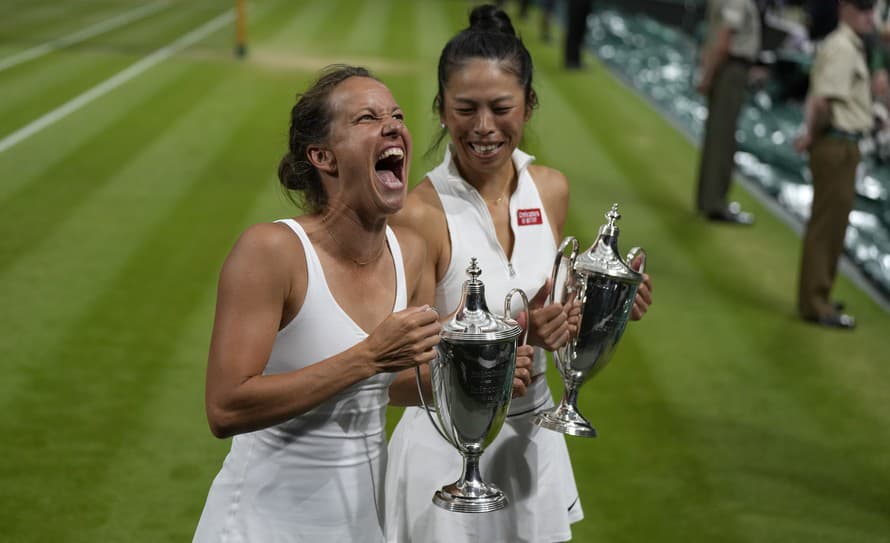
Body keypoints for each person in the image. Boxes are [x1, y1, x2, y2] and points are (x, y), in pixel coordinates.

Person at [384, 5, 653, 542]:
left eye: (501, 107)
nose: (483, 127)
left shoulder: (550, 189)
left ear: (528, 105)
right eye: (466, 109)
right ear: (440, 109)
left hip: (532, 446)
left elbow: (554, 311)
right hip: (444, 467)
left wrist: (603, 308)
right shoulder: (418, 214)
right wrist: (520, 335)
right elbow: (396, 381)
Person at [191, 65, 446, 542]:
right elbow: (225, 408)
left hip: (362, 528)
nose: (393, 126)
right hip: (259, 528)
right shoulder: (271, 251)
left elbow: (400, 385)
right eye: (367, 119)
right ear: (323, 157)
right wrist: (368, 357)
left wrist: (480, 367)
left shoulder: (410, 251)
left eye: (397, 115)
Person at [793, 0, 877, 329]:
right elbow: (823, 101)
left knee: (833, 226)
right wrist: (813, 135)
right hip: (836, 142)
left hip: (841, 141)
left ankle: (820, 295)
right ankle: (815, 303)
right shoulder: (844, 46)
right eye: (863, 7)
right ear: (846, 8)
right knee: (827, 226)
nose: (869, 15)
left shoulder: (848, 44)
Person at [695, 0, 762, 224]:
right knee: (722, 138)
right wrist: (708, 75)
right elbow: (724, 39)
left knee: (717, 135)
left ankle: (707, 198)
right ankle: (715, 203)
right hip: (730, 68)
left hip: (726, 67)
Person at [564, 0, 594, 69]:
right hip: (577, 5)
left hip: (582, 5)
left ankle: (576, 60)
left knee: (579, 32)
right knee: (574, 32)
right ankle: (571, 61)